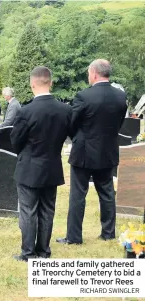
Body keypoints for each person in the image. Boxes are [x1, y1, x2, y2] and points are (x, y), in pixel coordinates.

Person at [57, 59, 128, 245]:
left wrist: (78, 139)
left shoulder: (83, 96)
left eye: (89, 73)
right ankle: (108, 232)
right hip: (108, 151)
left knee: (78, 195)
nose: (88, 76)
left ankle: (74, 237)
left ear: (94, 73)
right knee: (107, 193)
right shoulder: (121, 97)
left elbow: (71, 123)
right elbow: (119, 124)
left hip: (84, 152)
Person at [11, 67, 72, 261]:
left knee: (28, 211)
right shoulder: (65, 110)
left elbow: (15, 141)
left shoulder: (26, 111)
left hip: (29, 166)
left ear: (32, 84)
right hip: (52, 166)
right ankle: (43, 251)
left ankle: (28, 253)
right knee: (47, 209)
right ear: (50, 83)